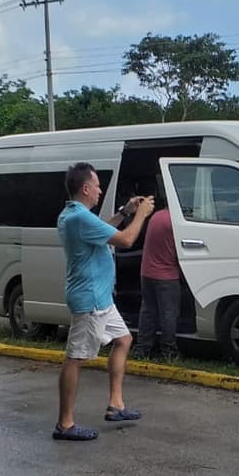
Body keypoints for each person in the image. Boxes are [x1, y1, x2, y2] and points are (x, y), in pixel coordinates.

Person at [53, 163, 154, 441]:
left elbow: (104, 230)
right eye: (97, 186)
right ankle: (65, 424)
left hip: (101, 298)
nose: (100, 190)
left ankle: (116, 405)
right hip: (90, 300)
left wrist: (125, 212)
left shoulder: (75, 215)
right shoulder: (79, 218)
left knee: (123, 340)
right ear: (86, 188)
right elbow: (126, 239)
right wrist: (141, 215)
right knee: (75, 359)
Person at [132, 190, 181, 361]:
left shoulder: (156, 217)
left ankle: (142, 348)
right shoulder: (175, 221)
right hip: (167, 275)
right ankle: (169, 351)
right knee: (168, 313)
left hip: (147, 272)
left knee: (148, 311)